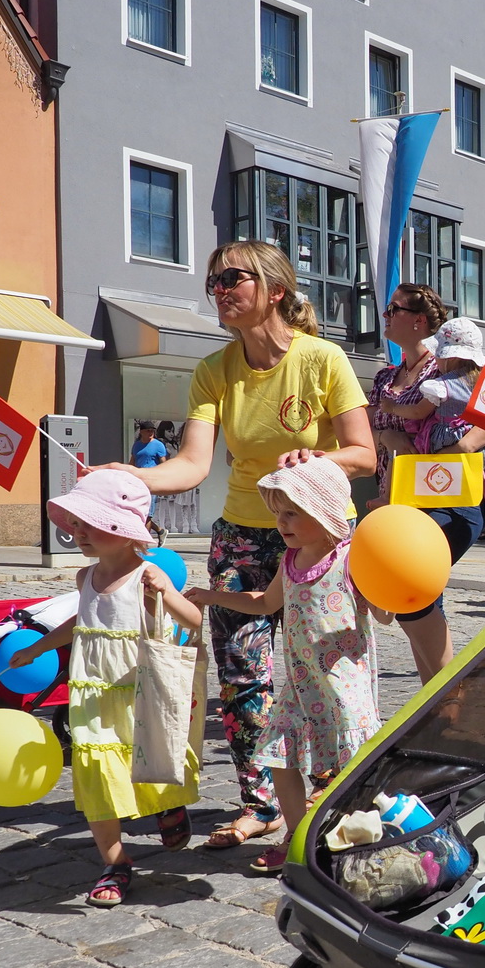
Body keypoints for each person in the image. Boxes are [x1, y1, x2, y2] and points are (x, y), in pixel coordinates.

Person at [89, 240, 375, 851]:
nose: (218, 289)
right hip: (244, 535)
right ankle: (262, 803)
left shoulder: (323, 360)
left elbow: (364, 453)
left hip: (319, 537)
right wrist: (132, 474)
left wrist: (317, 459)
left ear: (274, 290)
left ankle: (329, 805)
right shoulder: (214, 371)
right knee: (244, 676)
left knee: (324, 671)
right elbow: (192, 464)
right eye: (212, 281)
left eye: (231, 278)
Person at [10, 471, 204, 906]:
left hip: (138, 691)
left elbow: (192, 620)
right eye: (76, 524)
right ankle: (115, 861)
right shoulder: (86, 577)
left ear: (124, 531)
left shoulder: (147, 575)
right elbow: (81, 622)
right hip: (92, 692)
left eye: (91, 525)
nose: (79, 533)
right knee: (97, 771)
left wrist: (166, 595)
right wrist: (38, 647)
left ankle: (167, 805)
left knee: (150, 758)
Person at [187, 458, 381, 875]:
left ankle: (357, 837)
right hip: (299, 686)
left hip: (343, 690)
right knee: (281, 759)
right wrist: (212, 596)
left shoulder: (351, 559)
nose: (281, 522)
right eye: (277, 512)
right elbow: (266, 602)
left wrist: (395, 581)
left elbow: (384, 613)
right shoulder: (289, 562)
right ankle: (296, 836)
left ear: (324, 508)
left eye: (291, 512)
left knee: (352, 768)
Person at [369, 288, 485, 683]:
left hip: (449, 492)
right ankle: (434, 704)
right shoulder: (387, 376)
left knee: (411, 587)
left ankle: (448, 698)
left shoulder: (449, 365)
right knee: (419, 596)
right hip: (401, 494)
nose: (384, 314)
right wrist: (386, 440)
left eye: (393, 309)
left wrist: (468, 443)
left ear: (418, 320)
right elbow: (372, 432)